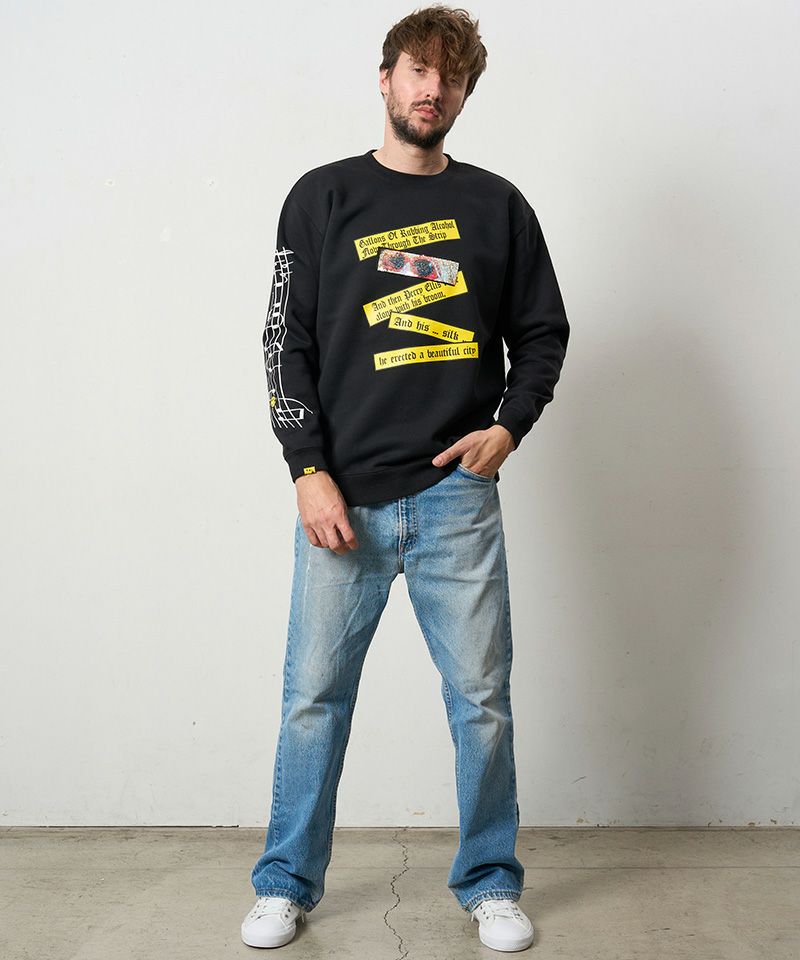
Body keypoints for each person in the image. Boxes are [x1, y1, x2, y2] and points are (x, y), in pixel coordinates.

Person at [241, 5, 569, 952]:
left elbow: (542, 333)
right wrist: (308, 469)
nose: (434, 89)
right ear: (384, 78)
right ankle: (285, 882)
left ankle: (491, 883)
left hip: (455, 499)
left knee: (482, 705)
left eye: (451, 77)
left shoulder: (499, 207)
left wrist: (508, 427)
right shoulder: (322, 197)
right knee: (313, 702)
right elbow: (284, 344)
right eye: (419, 70)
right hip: (340, 497)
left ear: (465, 94)